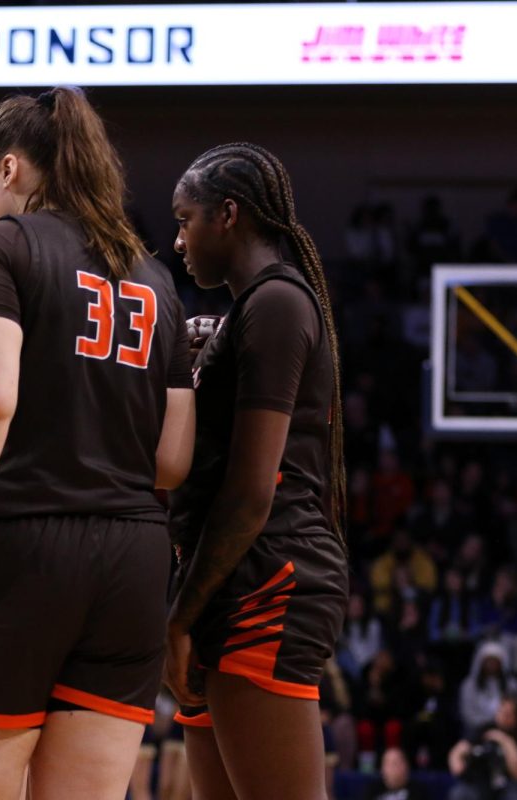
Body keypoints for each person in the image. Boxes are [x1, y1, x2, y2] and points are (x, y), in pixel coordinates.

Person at [0, 86, 196, 800]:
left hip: (21, 553)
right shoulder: (155, 277)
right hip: (132, 562)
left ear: (9, 169)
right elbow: (172, 459)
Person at [164, 142, 349, 800]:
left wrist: (179, 618)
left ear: (229, 215)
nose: (178, 241)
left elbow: (250, 493)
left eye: (185, 221)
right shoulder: (252, 311)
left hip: (266, 575)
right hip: (225, 579)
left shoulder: (275, 305)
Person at [449, 696, 517, 800]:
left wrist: (504, 740)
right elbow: (458, 751)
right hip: (481, 781)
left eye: (508, 714)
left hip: (508, 784)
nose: (503, 716)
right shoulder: (485, 729)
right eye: (501, 711)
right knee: (459, 793)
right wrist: (458, 764)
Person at [363, 747, 428, 800]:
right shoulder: (372, 790)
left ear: (406, 766)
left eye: (397, 762)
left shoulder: (418, 791)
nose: (394, 768)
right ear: (382, 769)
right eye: (389, 763)